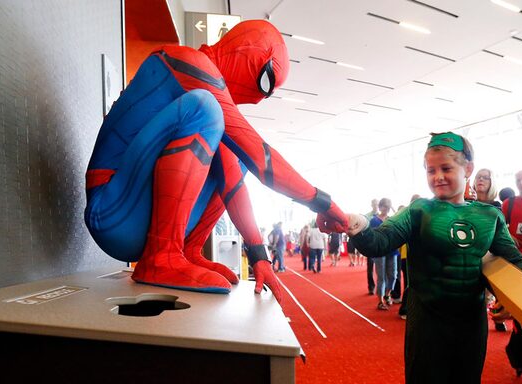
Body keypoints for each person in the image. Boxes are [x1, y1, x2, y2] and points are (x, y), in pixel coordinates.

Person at [84, 20, 347, 301]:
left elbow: (235, 179)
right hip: (111, 211)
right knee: (205, 108)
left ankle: (185, 251)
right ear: (250, 54)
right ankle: (163, 256)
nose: (261, 97)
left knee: (234, 155)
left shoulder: (209, 102)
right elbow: (263, 160)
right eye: (266, 80)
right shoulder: (186, 61)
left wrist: (259, 255)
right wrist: (324, 203)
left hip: (131, 214)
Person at [347, 132, 522, 384]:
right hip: (428, 318)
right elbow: (381, 241)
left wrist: (515, 298)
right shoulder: (419, 211)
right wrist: (357, 225)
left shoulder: (490, 215)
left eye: (446, 168)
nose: (438, 177)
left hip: (470, 321)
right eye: (431, 170)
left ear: (468, 169)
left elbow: (515, 261)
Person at [370, 198, 397, 310]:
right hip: (379, 251)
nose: (385, 209)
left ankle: (388, 294)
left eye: (388, 207)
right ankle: (380, 301)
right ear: (380, 207)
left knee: (393, 275)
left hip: (392, 250)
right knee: (381, 277)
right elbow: (371, 237)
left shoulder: (392, 219)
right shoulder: (374, 220)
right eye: (384, 206)